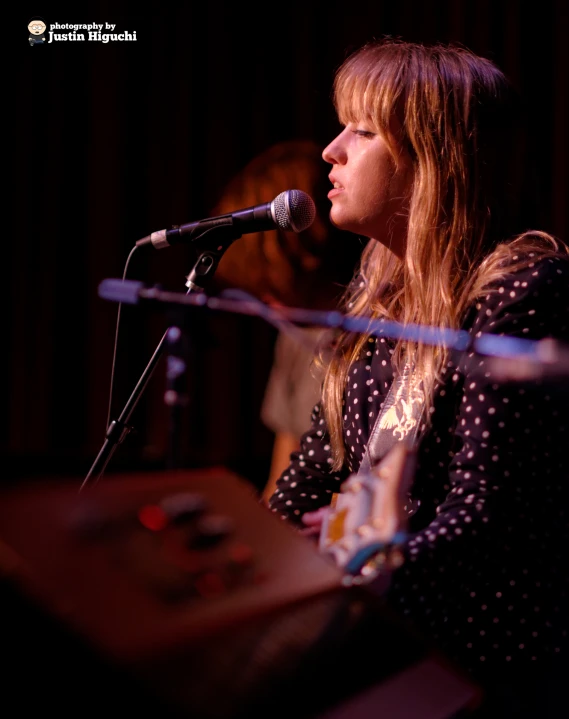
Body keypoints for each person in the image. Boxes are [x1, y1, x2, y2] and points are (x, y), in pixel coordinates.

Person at [267, 39, 569, 716]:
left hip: (483, 664)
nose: (330, 150)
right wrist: (251, 566)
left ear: (432, 160)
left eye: (362, 131)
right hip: (379, 639)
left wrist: (347, 576)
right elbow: (313, 473)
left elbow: (488, 513)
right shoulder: (373, 308)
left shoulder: (520, 290)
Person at [208, 140, 363, 502]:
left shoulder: (376, 338)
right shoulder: (294, 336)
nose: (261, 299)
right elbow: (281, 482)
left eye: (266, 278)